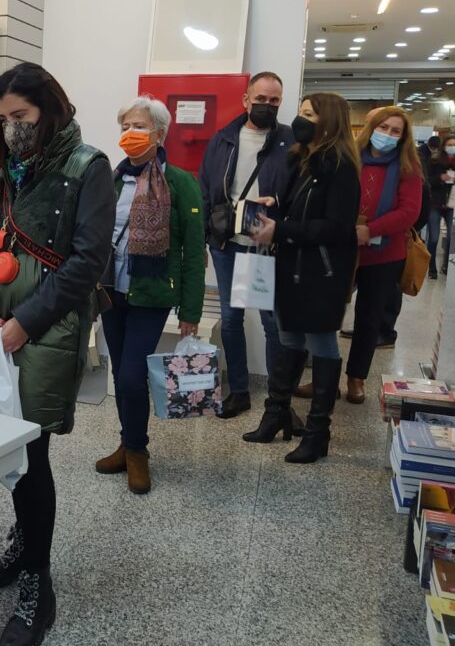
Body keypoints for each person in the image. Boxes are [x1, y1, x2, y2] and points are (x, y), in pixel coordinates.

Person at [0, 62, 115, 646]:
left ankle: (37, 586)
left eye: (20, 117)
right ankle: (22, 548)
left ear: (50, 109)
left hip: (45, 331)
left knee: (32, 454)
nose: (12, 129)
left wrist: (26, 322)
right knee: (2, 446)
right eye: (3, 121)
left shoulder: (88, 168)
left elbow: (86, 263)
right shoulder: (9, 169)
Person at [95, 96, 204, 495]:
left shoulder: (180, 183)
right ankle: (127, 444)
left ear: (159, 133)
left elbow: (193, 251)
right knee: (119, 371)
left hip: (151, 293)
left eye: (138, 127)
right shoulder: (109, 177)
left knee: (129, 376)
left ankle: (137, 451)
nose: (130, 135)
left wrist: (191, 309)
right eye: (125, 127)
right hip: (110, 290)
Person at [243, 93, 360, 463]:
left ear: (328, 121)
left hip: (321, 271)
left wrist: (282, 229)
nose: (300, 119)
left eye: (309, 114)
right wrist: (276, 205)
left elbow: (338, 227)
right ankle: (276, 414)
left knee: (322, 343)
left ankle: (317, 432)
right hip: (291, 266)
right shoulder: (303, 158)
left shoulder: (340, 166)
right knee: (288, 335)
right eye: (300, 112)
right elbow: (303, 207)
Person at [198, 71, 294, 419]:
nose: (266, 106)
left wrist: (278, 207)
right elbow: (205, 187)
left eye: (274, 101)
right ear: (245, 99)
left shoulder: (289, 141)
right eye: (260, 99)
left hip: (263, 243)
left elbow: (297, 192)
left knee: (271, 323)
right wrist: (205, 237)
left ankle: (277, 399)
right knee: (229, 320)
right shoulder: (223, 138)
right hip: (226, 242)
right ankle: (239, 391)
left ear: (280, 102)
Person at [345, 106, 422, 404]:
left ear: (403, 137)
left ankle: (356, 377)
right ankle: (321, 376)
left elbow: (409, 212)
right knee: (328, 314)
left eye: (395, 131)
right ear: (371, 127)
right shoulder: (350, 159)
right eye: (384, 128)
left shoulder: (408, 167)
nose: (387, 135)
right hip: (345, 250)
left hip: (385, 255)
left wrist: (371, 229)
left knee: (369, 318)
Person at [425, 135, 455, 278]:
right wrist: (440, 179)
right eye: (449, 144)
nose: (452, 147)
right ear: (444, 146)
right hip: (435, 203)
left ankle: (447, 266)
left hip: (453, 204)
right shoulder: (434, 161)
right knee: (433, 238)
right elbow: (427, 180)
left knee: (452, 237)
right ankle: (431, 267)